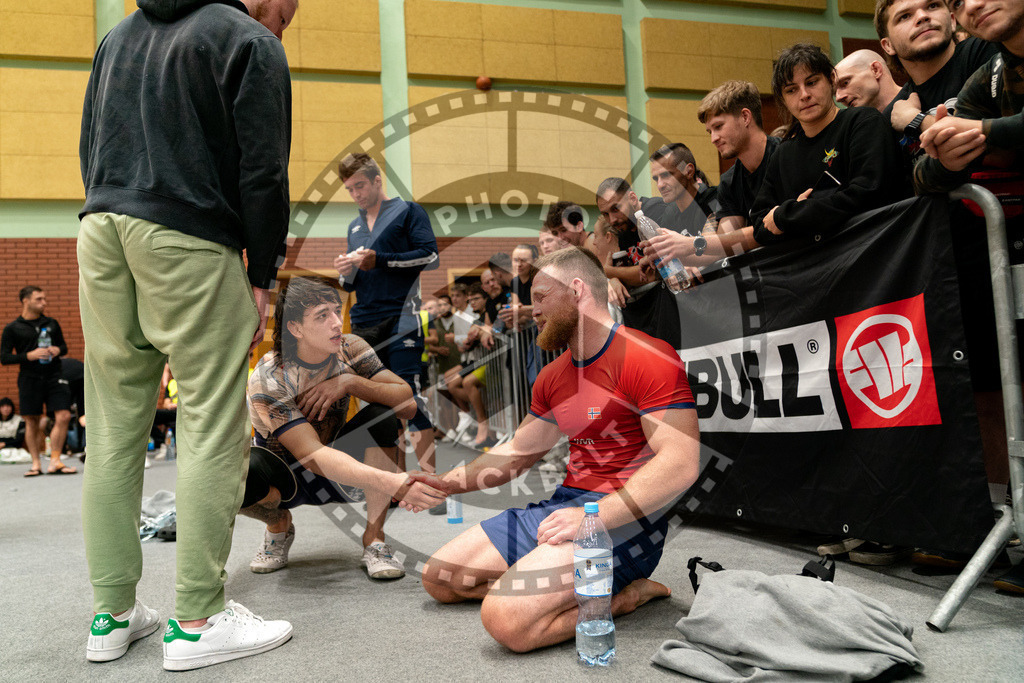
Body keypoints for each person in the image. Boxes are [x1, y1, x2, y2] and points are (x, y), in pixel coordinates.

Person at [78, 0, 297, 669]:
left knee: (113, 425)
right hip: (188, 236)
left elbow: (89, 145)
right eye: (288, 7)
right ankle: (198, 617)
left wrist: (118, 211)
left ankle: (112, 613)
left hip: (102, 226)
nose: (286, 20)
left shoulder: (117, 37)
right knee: (209, 420)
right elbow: (263, 170)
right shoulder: (248, 41)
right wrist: (260, 270)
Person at [421, 247, 701, 652]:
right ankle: (546, 583)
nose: (530, 310)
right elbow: (518, 452)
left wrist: (594, 518)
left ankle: (625, 597)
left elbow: (681, 463)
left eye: (539, 298)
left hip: (622, 521)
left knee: (506, 621)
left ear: (576, 290)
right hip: (564, 507)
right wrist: (446, 484)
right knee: (440, 578)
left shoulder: (647, 356)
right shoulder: (554, 375)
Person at [240, 277, 447, 578]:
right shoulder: (269, 377)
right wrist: (392, 482)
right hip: (285, 479)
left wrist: (350, 382)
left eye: (337, 311)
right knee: (235, 473)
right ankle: (278, 525)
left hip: (340, 468)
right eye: (322, 316)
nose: (337, 322)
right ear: (295, 328)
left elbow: (408, 405)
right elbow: (311, 455)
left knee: (382, 414)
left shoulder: (349, 348)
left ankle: (374, 540)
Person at [333, 153, 440, 476]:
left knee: (409, 396)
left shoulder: (407, 211)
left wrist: (379, 260)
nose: (356, 195)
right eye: (350, 189)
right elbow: (352, 283)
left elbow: (430, 256)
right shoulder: (354, 225)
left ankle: (431, 481)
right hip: (364, 321)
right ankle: (396, 480)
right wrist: (344, 273)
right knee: (380, 404)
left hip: (402, 318)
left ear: (378, 181)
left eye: (360, 186)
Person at [751, 43, 906, 245]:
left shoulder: (864, 122)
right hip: (810, 268)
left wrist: (789, 215)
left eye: (812, 82)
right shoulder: (782, 154)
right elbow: (759, 225)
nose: (804, 94)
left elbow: (868, 194)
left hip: (868, 253)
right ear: (783, 99)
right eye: (791, 90)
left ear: (831, 80)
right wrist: (801, 215)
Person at [875, 0, 997, 143]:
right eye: (905, 16)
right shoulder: (893, 115)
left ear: (952, 21)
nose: (922, 16)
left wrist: (916, 120)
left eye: (933, 6)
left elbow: (1009, 140)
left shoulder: (988, 50)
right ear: (888, 45)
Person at [0, 286, 74, 477]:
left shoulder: (51, 323)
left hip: (54, 375)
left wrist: (58, 350)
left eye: (44, 299)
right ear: (26, 301)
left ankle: (55, 460)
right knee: (31, 420)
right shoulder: (12, 328)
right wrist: (29, 355)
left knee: (64, 415)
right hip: (29, 378)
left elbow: (63, 347)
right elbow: (5, 358)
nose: (44, 303)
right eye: (39, 299)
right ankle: (36, 464)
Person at [834, 49, 902, 110]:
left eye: (845, 83)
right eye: (835, 93)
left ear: (876, 70)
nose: (838, 98)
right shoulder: (859, 122)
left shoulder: (912, 100)